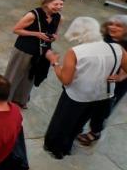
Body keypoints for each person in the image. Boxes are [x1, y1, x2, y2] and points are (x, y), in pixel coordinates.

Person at [44, 17, 127, 159]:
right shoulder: (117, 48)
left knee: (63, 123)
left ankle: (57, 150)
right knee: (79, 123)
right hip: (100, 95)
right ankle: (68, 146)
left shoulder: (75, 51)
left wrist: (54, 62)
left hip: (77, 95)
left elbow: (66, 80)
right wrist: (119, 77)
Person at [4, 0, 64, 109]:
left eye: (61, 5)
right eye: (55, 4)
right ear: (46, 3)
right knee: (14, 75)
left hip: (41, 52)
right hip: (24, 49)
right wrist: (37, 34)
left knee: (30, 77)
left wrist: (55, 36)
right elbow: (16, 30)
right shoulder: (33, 15)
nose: (59, 7)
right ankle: (4, 100)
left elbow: (55, 32)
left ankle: (21, 99)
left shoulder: (59, 17)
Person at [78, 16, 127, 146]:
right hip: (99, 77)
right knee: (88, 103)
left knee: (103, 108)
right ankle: (79, 126)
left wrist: (121, 77)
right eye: (111, 24)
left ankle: (95, 131)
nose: (112, 27)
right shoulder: (105, 38)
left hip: (116, 83)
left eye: (118, 26)